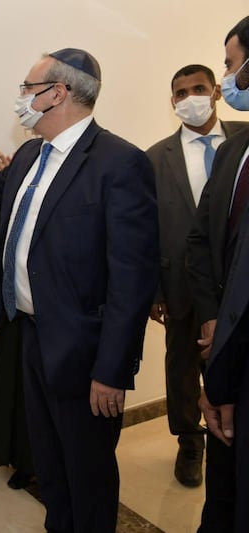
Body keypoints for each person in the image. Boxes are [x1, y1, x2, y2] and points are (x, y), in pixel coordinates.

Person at [0, 49, 158, 532]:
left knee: (88, 471)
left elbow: (133, 278)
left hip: (86, 353)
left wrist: (112, 370)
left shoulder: (119, 163)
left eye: (27, 87)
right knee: (50, 461)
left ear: (56, 93)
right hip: (31, 334)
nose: (20, 98)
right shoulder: (29, 153)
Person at [145, 64, 248, 489]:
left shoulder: (243, 141)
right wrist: (153, 290)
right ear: (172, 102)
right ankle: (190, 444)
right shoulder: (154, 157)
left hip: (238, 283)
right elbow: (145, 229)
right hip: (180, 287)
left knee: (235, 363)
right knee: (182, 367)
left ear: (216, 93)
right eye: (181, 92)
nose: (190, 97)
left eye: (199, 88)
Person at [188, 15, 249, 533]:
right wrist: (211, 322)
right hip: (224, 349)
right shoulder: (234, 151)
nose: (228, 79)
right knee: (223, 494)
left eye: (231, 66)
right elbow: (201, 242)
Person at [0, 150, 34, 490]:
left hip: (54, 309)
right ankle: (25, 461)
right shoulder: (29, 156)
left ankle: (51, 470)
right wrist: (9, 191)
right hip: (16, 302)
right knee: (18, 389)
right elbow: (6, 233)